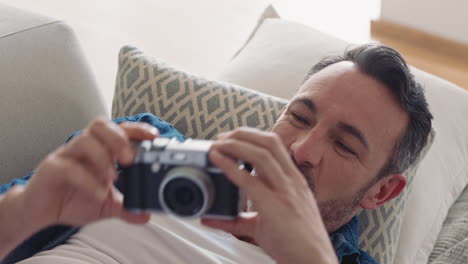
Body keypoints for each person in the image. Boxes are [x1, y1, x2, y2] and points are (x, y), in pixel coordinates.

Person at [0, 44, 432, 264]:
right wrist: (29, 208)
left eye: (343, 145)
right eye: (299, 117)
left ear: (382, 191)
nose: (302, 150)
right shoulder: (142, 147)